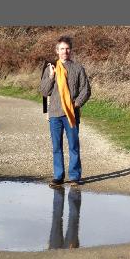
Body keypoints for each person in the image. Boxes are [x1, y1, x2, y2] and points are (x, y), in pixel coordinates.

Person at [40, 36, 91, 188]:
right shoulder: (51, 68)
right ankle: (58, 176)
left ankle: (75, 176)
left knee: (74, 145)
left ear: (71, 50)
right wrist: (51, 77)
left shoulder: (78, 69)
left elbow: (86, 90)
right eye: (62, 49)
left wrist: (76, 104)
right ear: (57, 51)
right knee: (57, 147)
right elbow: (44, 91)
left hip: (71, 113)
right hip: (55, 113)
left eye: (67, 48)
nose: (65, 51)